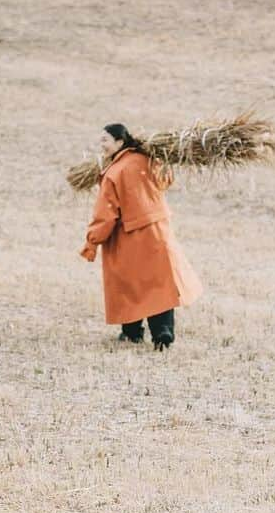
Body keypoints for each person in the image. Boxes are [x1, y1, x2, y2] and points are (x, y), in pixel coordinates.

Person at [80, 123, 201, 350]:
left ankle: (132, 332)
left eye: (105, 140)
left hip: (130, 237)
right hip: (159, 232)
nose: (101, 145)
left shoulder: (114, 173)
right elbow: (167, 180)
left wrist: (91, 242)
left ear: (120, 142)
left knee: (129, 284)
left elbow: (105, 214)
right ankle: (163, 331)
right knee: (160, 282)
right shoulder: (149, 159)